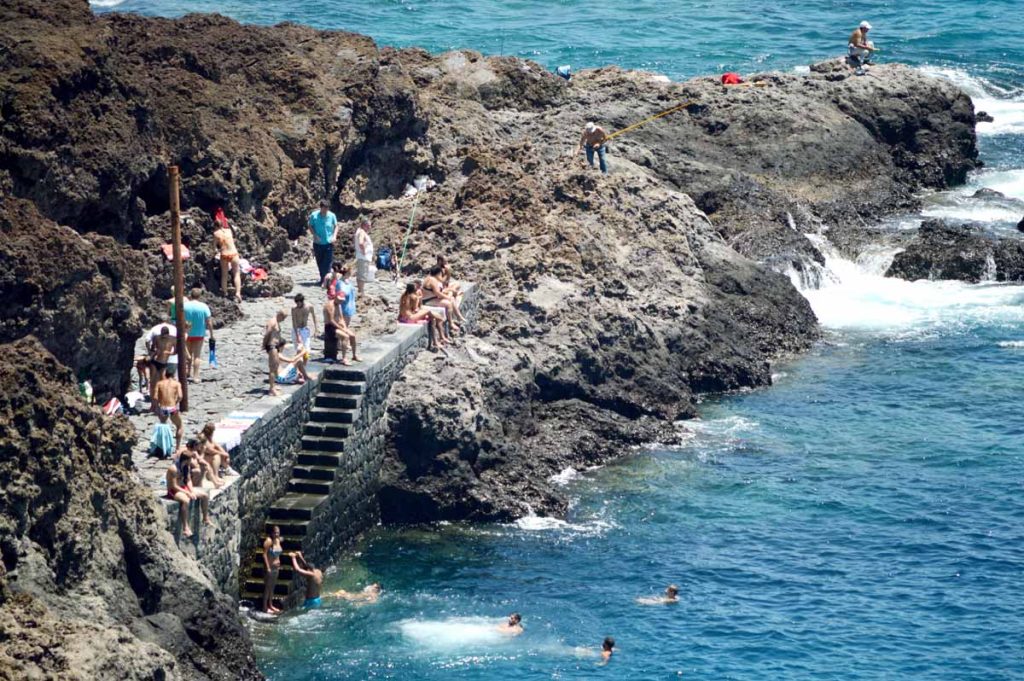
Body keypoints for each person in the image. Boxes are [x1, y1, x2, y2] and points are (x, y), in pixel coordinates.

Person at [165, 447, 208, 538]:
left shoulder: (186, 467)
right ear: (186, 460)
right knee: (186, 501)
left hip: (183, 487)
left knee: (204, 495)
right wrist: (187, 493)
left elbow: (188, 480)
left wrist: (191, 491)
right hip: (174, 491)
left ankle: (205, 518)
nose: (192, 461)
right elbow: (174, 486)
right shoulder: (173, 469)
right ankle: (185, 527)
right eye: (191, 459)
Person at [171, 296, 213, 382]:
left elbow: (177, 319)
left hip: (186, 333)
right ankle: (196, 376)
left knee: (187, 354)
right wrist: (211, 334)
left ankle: (187, 372)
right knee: (196, 356)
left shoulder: (185, 306)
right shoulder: (203, 306)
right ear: (199, 296)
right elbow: (209, 321)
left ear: (190, 296)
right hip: (199, 333)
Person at [399, 282, 447, 351]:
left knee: (432, 318)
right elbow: (416, 309)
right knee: (428, 312)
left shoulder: (404, 295)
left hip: (403, 318)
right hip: (410, 318)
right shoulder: (414, 297)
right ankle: (441, 320)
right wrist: (419, 299)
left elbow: (405, 308)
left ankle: (436, 340)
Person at [213, 208, 242, 303]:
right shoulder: (229, 231)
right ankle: (238, 293)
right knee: (236, 274)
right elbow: (234, 233)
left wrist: (216, 252)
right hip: (233, 253)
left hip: (224, 254)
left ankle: (225, 293)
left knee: (224, 275)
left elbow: (214, 248)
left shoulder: (216, 233)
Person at [309, 199, 338, 284]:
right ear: (321, 207)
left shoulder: (332, 215)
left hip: (329, 243)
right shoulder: (314, 215)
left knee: (328, 262)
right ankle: (323, 278)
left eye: (327, 208)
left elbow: (336, 226)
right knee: (320, 262)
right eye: (324, 208)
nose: (326, 210)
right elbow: (310, 226)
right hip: (318, 243)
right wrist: (314, 235)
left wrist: (334, 236)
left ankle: (326, 280)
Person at [322, 298, 359, 365]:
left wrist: (344, 327)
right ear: (336, 297)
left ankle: (354, 356)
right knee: (345, 337)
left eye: (342, 300)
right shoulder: (330, 305)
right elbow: (331, 320)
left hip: (338, 326)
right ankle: (344, 358)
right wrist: (341, 329)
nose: (340, 301)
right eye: (339, 300)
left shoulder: (339, 305)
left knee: (352, 335)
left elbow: (341, 318)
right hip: (330, 327)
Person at [145, 323, 177, 401]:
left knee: (163, 381)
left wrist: (168, 353)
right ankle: (153, 402)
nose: (163, 338)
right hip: (155, 361)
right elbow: (152, 348)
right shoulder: (156, 338)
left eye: (164, 336)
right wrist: (152, 353)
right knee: (153, 382)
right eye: (162, 335)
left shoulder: (173, 339)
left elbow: (176, 352)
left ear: (168, 334)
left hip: (164, 362)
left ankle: (162, 399)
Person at [154, 368, 184, 450]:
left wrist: (157, 408)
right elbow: (180, 396)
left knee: (163, 426)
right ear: (173, 375)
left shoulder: (159, 383)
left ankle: (163, 446)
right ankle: (177, 448)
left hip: (163, 407)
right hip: (172, 408)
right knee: (179, 425)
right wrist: (176, 402)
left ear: (165, 375)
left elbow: (155, 397)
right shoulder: (177, 384)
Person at [263, 310, 287, 396]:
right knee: (272, 368)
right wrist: (263, 345)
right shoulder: (272, 322)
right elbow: (267, 334)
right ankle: (271, 389)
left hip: (276, 346)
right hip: (271, 346)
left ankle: (274, 385)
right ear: (279, 315)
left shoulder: (277, 322)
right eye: (283, 317)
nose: (284, 320)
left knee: (276, 366)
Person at [262, 526, 283, 614]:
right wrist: (268, 567)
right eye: (275, 532)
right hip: (270, 568)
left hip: (276, 568)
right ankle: (264, 607)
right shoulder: (268, 541)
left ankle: (270, 604)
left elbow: (282, 539)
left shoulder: (278, 540)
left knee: (273, 587)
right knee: (267, 587)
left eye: (278, 532)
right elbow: (264, 554)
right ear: (271, 533)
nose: (276, 534)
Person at [291, 293, 317, 358]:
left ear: (302, 301)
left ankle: (305, 361)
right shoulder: (294, 309)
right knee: (297, 348)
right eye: (296, 303)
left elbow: (314, 317)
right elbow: (294, 321)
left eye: (299, 303)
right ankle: (299, 363)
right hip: (296, 329)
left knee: (306, 347)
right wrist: (297, 335)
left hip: (305, 328)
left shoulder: (309, 307)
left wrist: (316, 329)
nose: (298, 305)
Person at [353, 216, 374, 298]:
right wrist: (364, 251)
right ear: (364, 225)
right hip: (363, 257)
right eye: (369, 226)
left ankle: (360, 291)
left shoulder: (359, 231)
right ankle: (361, 292)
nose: (370, 227)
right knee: (362, 275)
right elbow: (361, 242)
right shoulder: (361, 232)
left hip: (361, 257)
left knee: (360, 274)